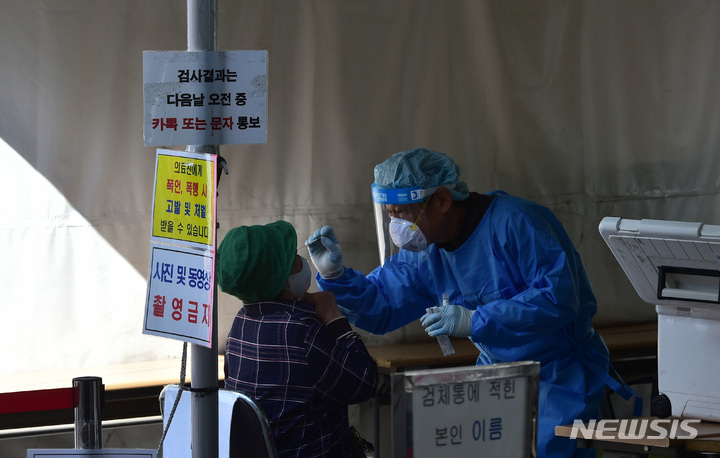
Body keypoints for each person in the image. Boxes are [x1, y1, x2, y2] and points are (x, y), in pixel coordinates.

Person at [305, 148, 639, 458]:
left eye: (403, 212)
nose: (397, 227)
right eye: (390, 215)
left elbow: (559, 298)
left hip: (559, 377)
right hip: (497, 378)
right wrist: (336, 278)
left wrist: (475, 320)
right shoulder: (426, 251)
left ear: (442, 200)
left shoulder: (518, 222)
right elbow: (383, 306)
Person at [217, 220, 379, 458]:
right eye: (293, 258)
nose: (302, 262)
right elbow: (364, 383)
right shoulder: (302, 330)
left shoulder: (242, 322)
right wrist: (334, 318)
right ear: (279, 278)